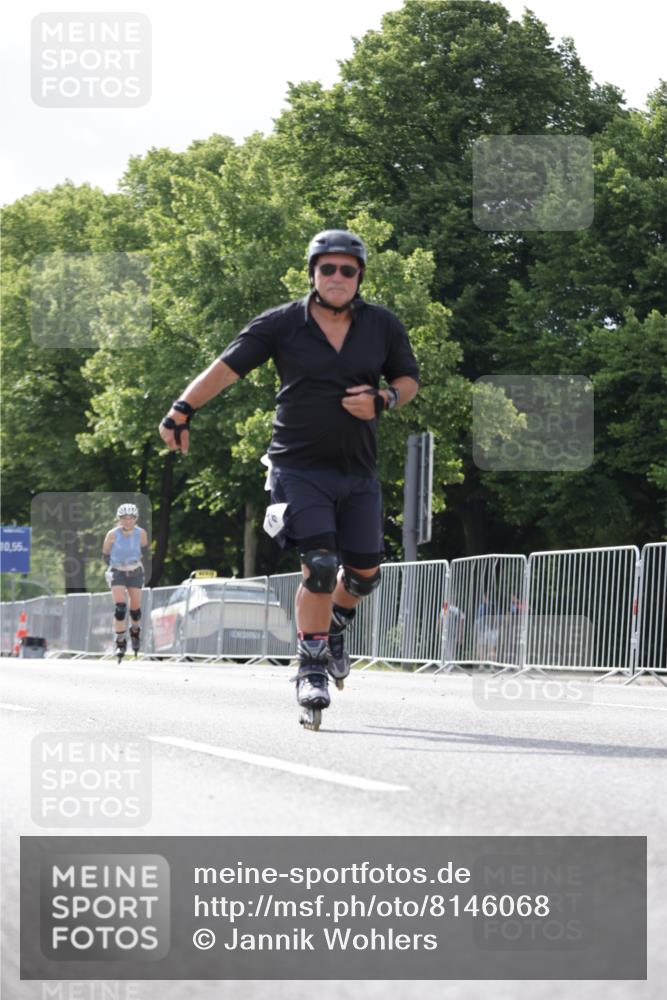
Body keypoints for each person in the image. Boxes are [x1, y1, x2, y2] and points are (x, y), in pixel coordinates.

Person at [159, 229, 419, 728]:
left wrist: (383, 400)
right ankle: (311, 668)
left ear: (359, 276)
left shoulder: (381, 324)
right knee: (320, 565)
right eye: (328, 268)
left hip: (358, 471)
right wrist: (181, 409)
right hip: (297, 467)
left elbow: (408, 380)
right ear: (313, 273)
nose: (338, 277)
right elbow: (226, 367)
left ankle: (337, 622)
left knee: (363, 577)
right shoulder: (281, 324)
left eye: (348, 269)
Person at [102, 503, 149, 660]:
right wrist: (115, 565)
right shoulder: (112, 534)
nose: (127, 521)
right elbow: (105, 553)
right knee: (120, 608)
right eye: (124, 518)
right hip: (117, 572)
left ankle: (135, 631)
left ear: (135, 519)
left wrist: (134, 562)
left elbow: (145, 551)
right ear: (119, 519)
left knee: (135, 611)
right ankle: (120, 641)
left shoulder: (141, 533)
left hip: (135, 572)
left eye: (131, 518)